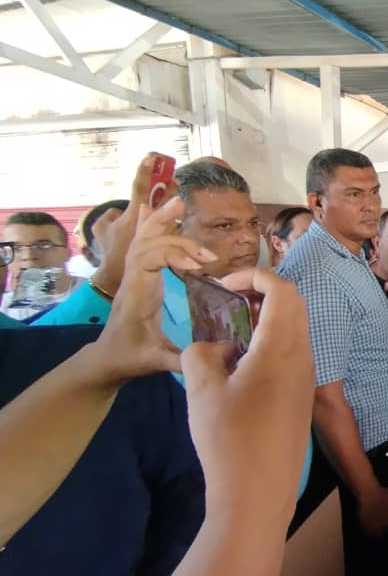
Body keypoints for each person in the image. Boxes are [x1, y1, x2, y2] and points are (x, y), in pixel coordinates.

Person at [0, 199, 315, 576]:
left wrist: (100, 364)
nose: (245, 238)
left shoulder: (92, 357)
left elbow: (182, 504)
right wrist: (255, 497)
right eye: (223, 225)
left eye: (250, 224)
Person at [0, 197, 213, 575]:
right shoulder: (102, 357)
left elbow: (190, 500)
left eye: (43, 246)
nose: (29, 258)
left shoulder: (104, 359)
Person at [279, 148, 388, 576]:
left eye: (374, 192)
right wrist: (367, 492)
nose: (370, 205)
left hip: (387, 444)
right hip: (367, 459)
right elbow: (324, 397)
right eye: (353, 194)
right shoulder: (319, 273)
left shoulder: (348, 252)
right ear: (317, 202)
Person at [2, 211, 78, 320]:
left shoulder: (94, 296)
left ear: (68, 253)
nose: (28, 256)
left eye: (43, 246)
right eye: (17, 248)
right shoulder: (3, 308)